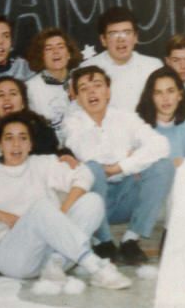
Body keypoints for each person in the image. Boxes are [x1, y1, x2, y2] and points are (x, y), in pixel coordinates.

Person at [0, 114, 130, 289]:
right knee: (41, 208)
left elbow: (83, 174)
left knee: (92, 201)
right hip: (11, 257)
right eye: (9, 138)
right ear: (0, 145)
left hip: (48, 253)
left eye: (23, 138)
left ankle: (55, 263)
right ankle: (95, 266)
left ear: (30, 144)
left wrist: (62, 212)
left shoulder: (43, 164)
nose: (16, 144)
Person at [63, 65, 173, 265]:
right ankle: (103, 241)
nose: (92, 92)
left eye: (97, 85)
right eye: (84, 89)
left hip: (125, 196)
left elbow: (161, 144)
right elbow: (88, 155)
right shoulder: (73, 122)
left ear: (108, 91)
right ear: (77, 98)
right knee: (93, 169)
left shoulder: (125, 117)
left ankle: (131, 239)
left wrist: (122, 166)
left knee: (163, 167)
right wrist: (131, 157)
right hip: (95, 200)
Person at [82, 6, 162, 112]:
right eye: (113, 34)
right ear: (103, 40)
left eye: (127, 32)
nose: (121, 39)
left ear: (135, 37)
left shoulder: (154, 66)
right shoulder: (87, 69)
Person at [136, 67, 185, 166]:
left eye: (170, 91)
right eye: (158, 92)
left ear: (180, 95)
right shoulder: (138, 123)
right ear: (151, 97)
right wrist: (175, 163)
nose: (165, 98)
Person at [25, 27, 82, 137]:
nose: (56, 52)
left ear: (69, 53)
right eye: (49, 49)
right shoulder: (30, 88)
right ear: (41, 56)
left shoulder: (81, 80)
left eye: (60, 47)